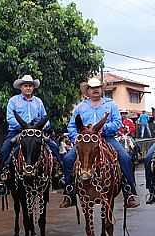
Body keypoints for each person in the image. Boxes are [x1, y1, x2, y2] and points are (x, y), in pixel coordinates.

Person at [59, 77, 140, 208]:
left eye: (97, 87)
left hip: (106, 138)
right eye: (92, 88)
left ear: (101, 89)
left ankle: (129, 191)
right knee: (68, 159)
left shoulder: (111, 104)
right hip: (85, 142)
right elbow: (72, 126)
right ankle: (69, 192)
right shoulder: (80, 107)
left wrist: (103, 128)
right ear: (88, 91)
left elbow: (117, 122)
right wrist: (77, 139)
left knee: (125, 157)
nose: (95, 90)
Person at [0, 75, 62, 171]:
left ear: (33, 88)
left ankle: (59, 170)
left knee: (54, 146)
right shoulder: (13, 101)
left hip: (37, 132)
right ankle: (2, 173)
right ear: (21, 87)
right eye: (25, 86)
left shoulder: (38, 102)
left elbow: (45, 118)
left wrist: (43, 126)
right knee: (4, 150)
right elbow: (10, 118)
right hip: (17, 131)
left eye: (30, 86)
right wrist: (24, 126)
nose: (28, 88)